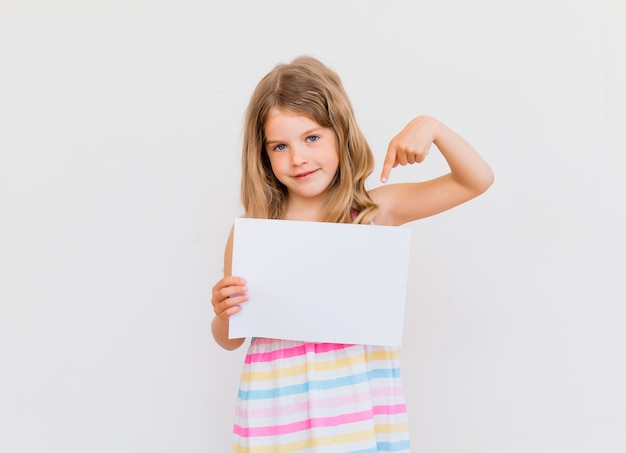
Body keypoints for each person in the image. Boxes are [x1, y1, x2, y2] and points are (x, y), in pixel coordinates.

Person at [211, 56, 494, 453]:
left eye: (312, 138)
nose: (298, 158)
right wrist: (224, 313)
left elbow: (475, 180)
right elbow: (230, 339)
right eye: (280, 146)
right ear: (263, 155)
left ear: (340, 133)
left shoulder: (372, 214)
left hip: (356, 417)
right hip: (276, 415)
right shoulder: (255, 233)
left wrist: (432, 127)